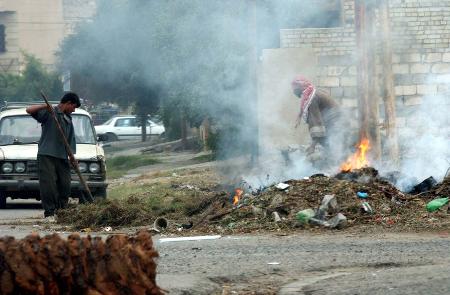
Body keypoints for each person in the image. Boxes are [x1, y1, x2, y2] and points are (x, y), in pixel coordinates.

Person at [26, 92, 80, 222]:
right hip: (47, 155)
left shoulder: (68, 119)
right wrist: (45, 106)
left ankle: (61, 212)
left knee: (65, 186)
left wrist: (72, 157)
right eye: (73, 107)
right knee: (48, 185)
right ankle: (49, 214)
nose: (73, 110)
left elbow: (69, 140)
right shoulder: (50, 112)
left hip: (62, 156)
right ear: (68, 103)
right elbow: (29, 110)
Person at [291, 75, 343, 160]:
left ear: (301, 88)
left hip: (336, 122)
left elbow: (316, 123)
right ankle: (332, 163)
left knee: (332, 144)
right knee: (328, 145)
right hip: (334, 121)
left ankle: (336, 164)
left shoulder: (312, 99)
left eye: (295, 89)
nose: (293, 92)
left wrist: (312, 146)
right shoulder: (310, 94)